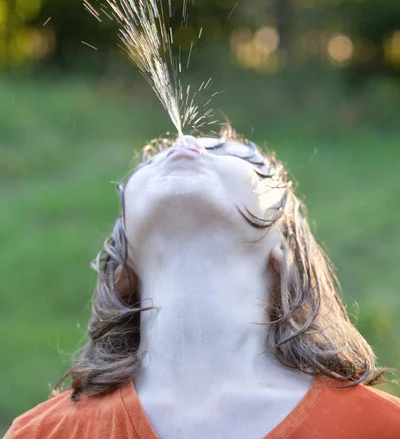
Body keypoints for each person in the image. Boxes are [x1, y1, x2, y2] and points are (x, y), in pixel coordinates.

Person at [4, 126, 400, 438]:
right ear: (124, 259)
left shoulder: (382, 428)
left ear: (285, 245)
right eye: (154, 158)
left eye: (230, 153)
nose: (186, 142)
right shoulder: (42, 434)